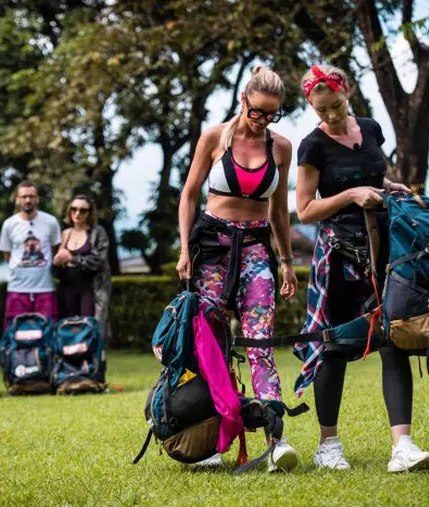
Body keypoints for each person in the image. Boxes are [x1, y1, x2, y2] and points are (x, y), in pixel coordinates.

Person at [293, 64, 429, 473]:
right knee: (333, 345)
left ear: (347, 91)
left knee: (392, 338)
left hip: (382, 247)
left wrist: (388, 187)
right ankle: (328, 445)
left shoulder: (370, 129)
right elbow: (305, 209)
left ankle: (402, 446)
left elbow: (373, 175)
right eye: (321, 110)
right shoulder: (312, 146)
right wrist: (351, 195)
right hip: (339, 255)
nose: (331, 115)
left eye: (336, 105)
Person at [177, 65, 298, 471]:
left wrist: (286, 262)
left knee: (260, 343)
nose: (263, 120)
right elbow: (188, 196)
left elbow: (279, 212)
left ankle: (275, 441)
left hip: (255, 251)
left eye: (272, 114)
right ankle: (210, 442)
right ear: (243, 100)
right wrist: (184, 250)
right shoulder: (214, 138)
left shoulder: (281, 147)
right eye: (257, 111)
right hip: (212, 248)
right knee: (209, 346)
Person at [0, 181, 61, 327]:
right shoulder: (9, 224)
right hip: (17, 288)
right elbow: (7, 255)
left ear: (37, 199)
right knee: (16, 330)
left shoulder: (51, 222)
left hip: (45, 287)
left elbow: (55, 249)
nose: (28, 200)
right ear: (17, 199)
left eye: (32, 196)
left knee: (47, 330)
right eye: (24, 196)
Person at [53, 194, 112, 340]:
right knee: (67, 331)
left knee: (89, 331)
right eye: (74, 209)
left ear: (89, 213)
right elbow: (58, 266)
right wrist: (56, 263)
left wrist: (72, 258)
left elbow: (97, 261)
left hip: (90, 290)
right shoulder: (65, 234)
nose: (77, 213)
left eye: (82, 210)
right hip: (67, 288)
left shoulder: (98, 233)